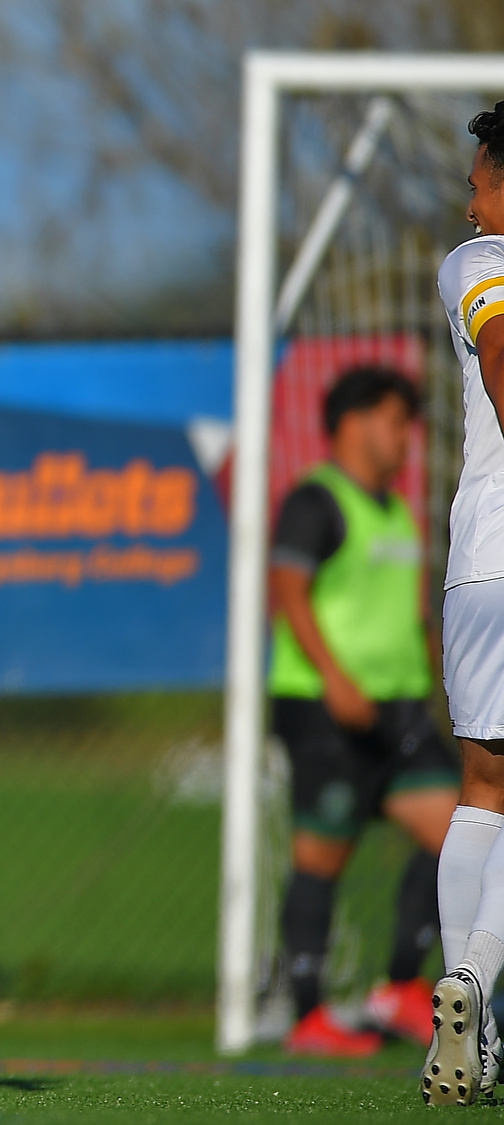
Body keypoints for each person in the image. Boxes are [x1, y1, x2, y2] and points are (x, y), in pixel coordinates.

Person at [267, 366, 458, 1056]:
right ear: (353, 423)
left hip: (400, 711)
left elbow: (412, 614)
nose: (407, 435)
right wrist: (334, 676)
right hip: (325, 706)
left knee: (467, 833)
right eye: (395, 418)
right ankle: (306, 1017)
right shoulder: (317, 500)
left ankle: (401, 986)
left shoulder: (399, 511)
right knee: (321, 857)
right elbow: (287, 590)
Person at [422, 100, 504, 1106]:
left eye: (477, 179)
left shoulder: (473, 260)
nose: (468, 197)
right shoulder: (479, 264)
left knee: (482, 791)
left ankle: (468, 1034)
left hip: (479, 561)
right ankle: (477, 982)